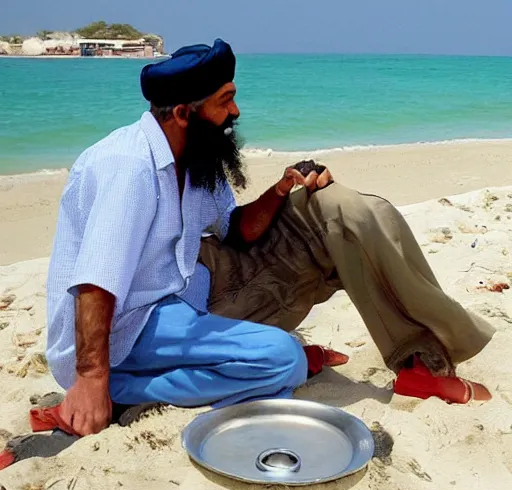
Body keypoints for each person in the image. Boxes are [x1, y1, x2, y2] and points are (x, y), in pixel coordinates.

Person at [45, 38, 495, 438]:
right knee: (283, 361)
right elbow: (96, 283)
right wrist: (90, 379)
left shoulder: (194, 156)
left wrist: (283, 191)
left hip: (189, 294)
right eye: (226, 101)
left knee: (337, 211)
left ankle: (420, 362)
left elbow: (236, 230)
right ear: (184, 113)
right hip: (126, 331)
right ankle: (126, 392)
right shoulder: (127, 166)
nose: (235, 113)